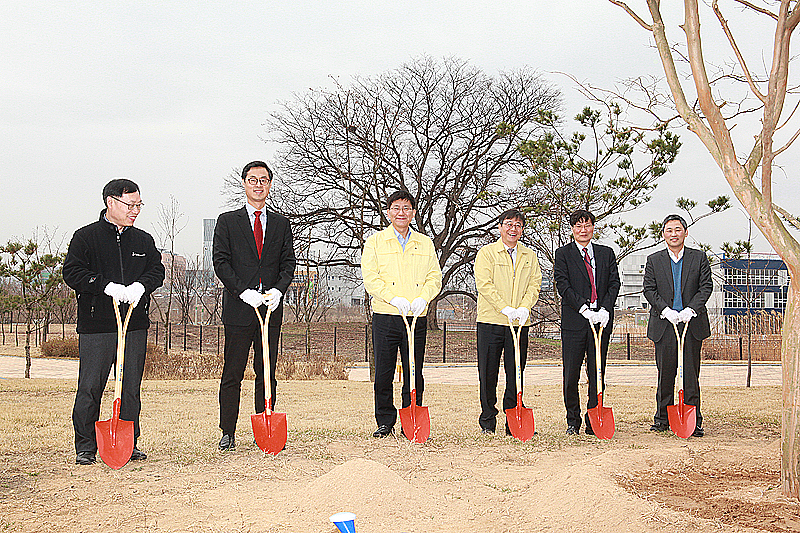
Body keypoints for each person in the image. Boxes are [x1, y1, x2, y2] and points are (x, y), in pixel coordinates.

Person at [63, 178, 165, 465]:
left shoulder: (143, 240)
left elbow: (157, 270)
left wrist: (141, 286)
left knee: (130, 386)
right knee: (91, 385)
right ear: (111, 202)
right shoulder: (86, 237)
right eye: (130, 205)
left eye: (139, 205)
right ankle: (85, 445)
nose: (135, 210)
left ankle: (128, 442)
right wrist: (104, 285)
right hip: (98, 325)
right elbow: (72, 273)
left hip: (134, 324)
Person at [212, 161, 296, 451]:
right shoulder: (228, 221)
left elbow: (288, 264)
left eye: (263, 180)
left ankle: (266, 423)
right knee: (233, 371)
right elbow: (220, 262)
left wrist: (278, 290)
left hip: (270, 308)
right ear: (244, 183)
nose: (258, 185)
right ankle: (228, 431)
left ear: (270, 184)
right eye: (252, 179)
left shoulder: (281, 224)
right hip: (239, 308)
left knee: (266, 370)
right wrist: (242, 291)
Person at [361, 190, 442, 438]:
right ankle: (385, 420)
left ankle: (412, 417)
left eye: (406, 208)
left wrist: (423, 298)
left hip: (415, 316)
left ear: (413, 213)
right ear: (388, 212)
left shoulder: (425, 243)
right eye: (396, 208)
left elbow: (434, 277)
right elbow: (371, 277)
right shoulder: (375, 242)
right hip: (387, 315)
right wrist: (391, 297)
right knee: (384, 371)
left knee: (413, 371)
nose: (401, 213)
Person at [474, 209, 542, 435]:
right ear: (500, 227)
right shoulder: (487, 253)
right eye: (509, 224)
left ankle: (513, 417)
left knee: (516, 372)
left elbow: (535, 284)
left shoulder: (529, 256)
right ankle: (488, 420)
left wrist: (524, 307)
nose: (513, 229)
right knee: (488, 372)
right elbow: (484, 284)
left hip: (519, 323)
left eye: (518, 225)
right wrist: (503, 307)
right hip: (491, 321)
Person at [643, 214, 712, 437]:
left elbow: (705, 287)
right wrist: (666, 310)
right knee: (666, 373)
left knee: (690, 373)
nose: (674, 234)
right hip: (665, 324)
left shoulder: (698, 258)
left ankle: (694, 420)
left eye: (678, 229)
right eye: (669, 230)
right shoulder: (654, 260)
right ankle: (662, 418)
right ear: (663, 234)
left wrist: (691, 309)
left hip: (691, 323)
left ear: (686, 232)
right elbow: (649, 290)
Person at [554, 209, 620, 435]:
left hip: (600, 321)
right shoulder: (563, 254)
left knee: (597, 371)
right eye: (578, 226)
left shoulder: (606, 253)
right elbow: (563, 285)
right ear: (572, 229)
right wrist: (583, 308)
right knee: (571, 373)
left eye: (587, 225)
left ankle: (594, 417)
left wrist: (604, 309)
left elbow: (614, 284)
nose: (583, 230)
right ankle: (572, 419)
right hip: (575, 321)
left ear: (593, 227)